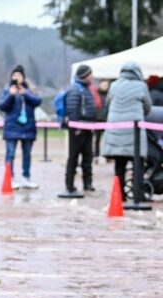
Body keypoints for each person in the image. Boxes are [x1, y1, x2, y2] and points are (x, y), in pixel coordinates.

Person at [101, 62, 153, 199]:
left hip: (116, 130)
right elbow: (148, 107)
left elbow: (107, 103)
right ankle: (137, 194)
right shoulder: (141, 86)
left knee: (119, 165)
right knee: (138, 164)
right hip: (134, 131)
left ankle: (120, 195)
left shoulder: (114, 85)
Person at [0, 65, 42, 189]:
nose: (16, 77)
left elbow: (38, 101)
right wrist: (11, 95)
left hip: (28, 128)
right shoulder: (6, 91)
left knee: (27, 154)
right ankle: (9, 178)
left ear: (23, 78)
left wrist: (25, 93)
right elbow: (2, 106)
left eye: (19, 75)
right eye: (14, 75)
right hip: (12, 128)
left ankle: (26, 178)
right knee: (10, 154)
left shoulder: (29, 90)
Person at [63, 64, 99, 194]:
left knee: (88, 156)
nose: (92, 76)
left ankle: (87, 183)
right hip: (78, 129)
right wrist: (76, 127)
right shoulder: (75, 89)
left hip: (87, 128)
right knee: (73, 157)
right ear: (85, 75)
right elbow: (72, 109)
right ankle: (69, 184)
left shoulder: (86, 89)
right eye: (90, 74)